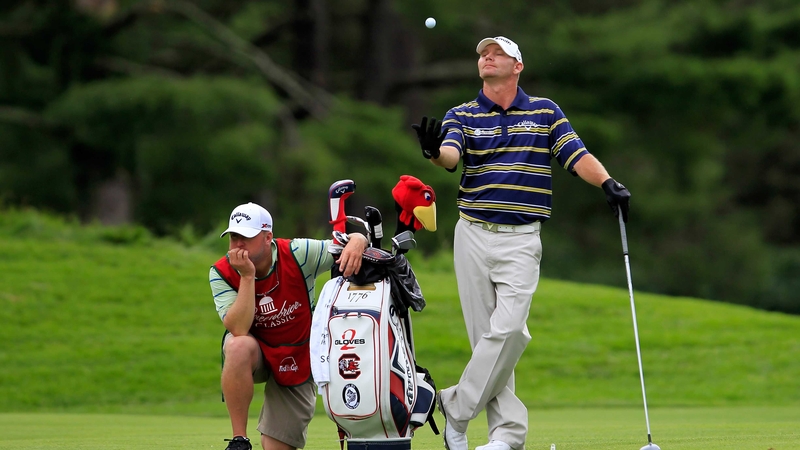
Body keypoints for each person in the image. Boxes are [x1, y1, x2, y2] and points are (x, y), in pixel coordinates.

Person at [411, 36, 631, 450]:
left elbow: (575, 154)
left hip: (522, 239)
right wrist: (432, 153)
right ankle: (506, 438)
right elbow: (451, 156)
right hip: (473, 234)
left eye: (497, 53)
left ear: (517, 66)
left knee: (509, 333)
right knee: (488, 341)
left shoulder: (545, 111)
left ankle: (455, 408)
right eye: (482, 54)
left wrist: (607, 181)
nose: (486, 57)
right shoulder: (462, 113)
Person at [209, 202, 368, 450]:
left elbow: (347, 244)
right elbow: (239, 328)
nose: (238, 244)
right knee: (238, 345)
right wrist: (247, 276)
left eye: (246, 237)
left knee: (276, 447)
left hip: (299, 354)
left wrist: (358, 239)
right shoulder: (222, 272)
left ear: (267, 237)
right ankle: (239, 440)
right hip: (256, 353)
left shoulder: (299, 252)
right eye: (234, 237)